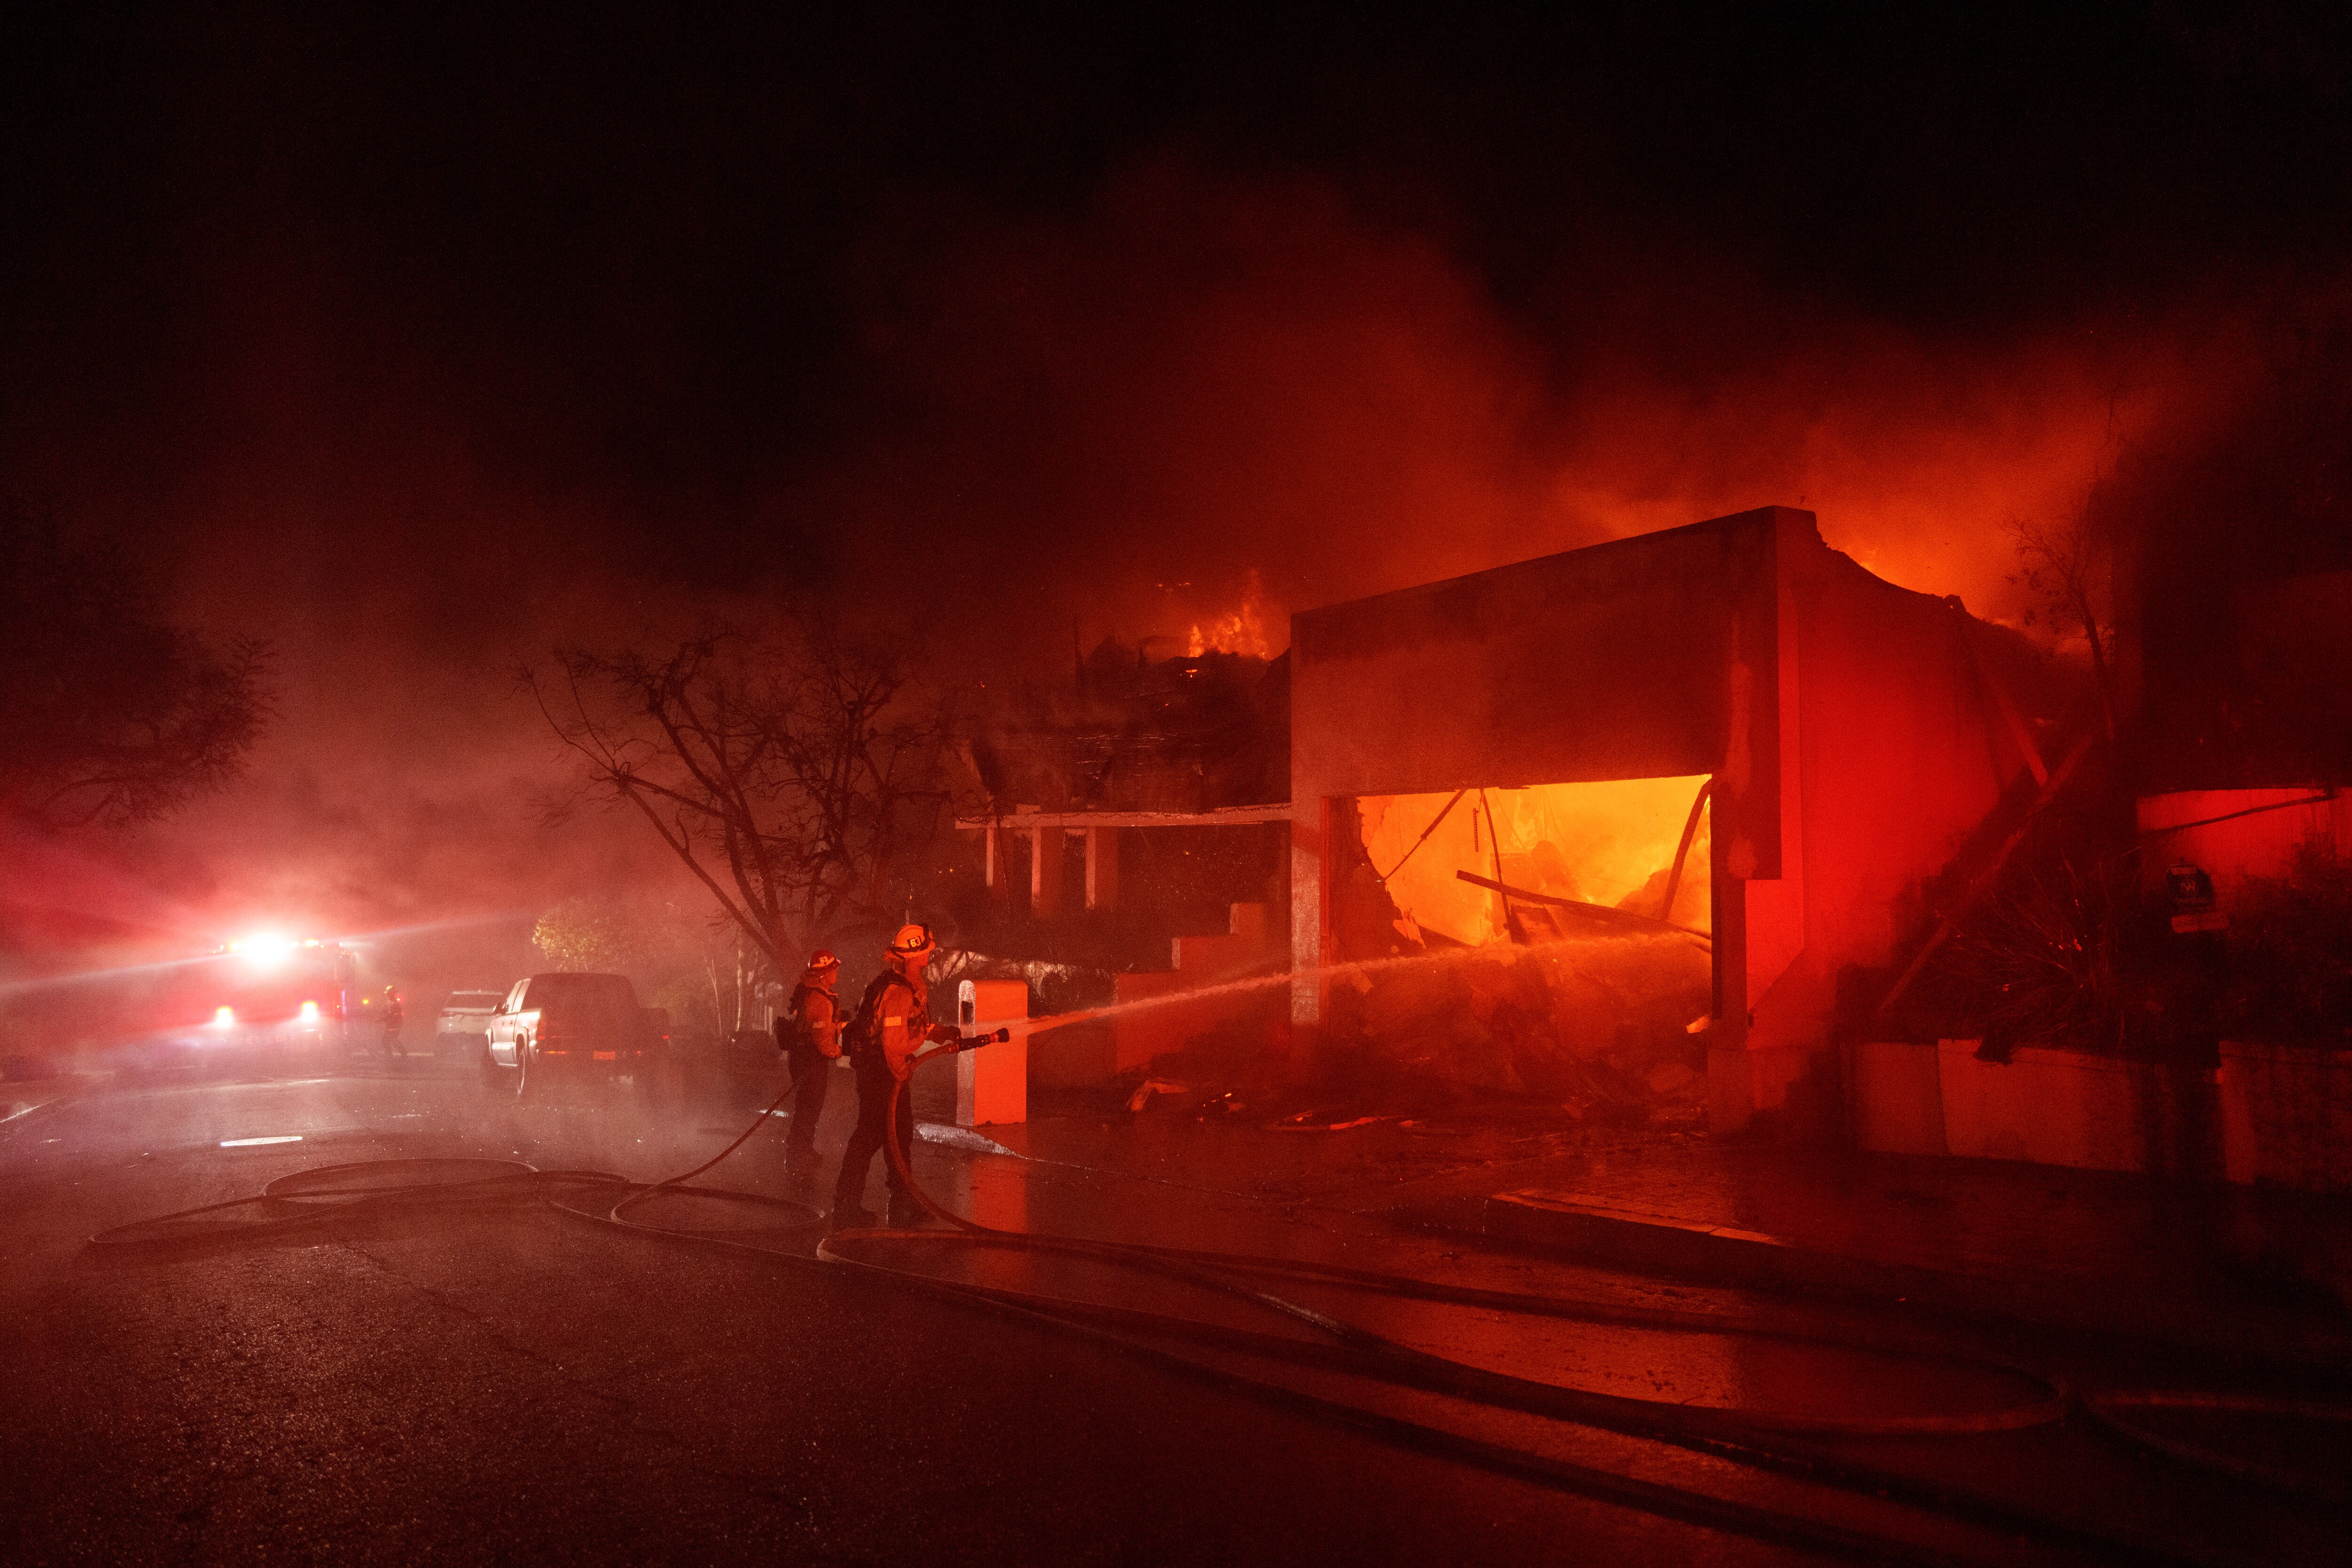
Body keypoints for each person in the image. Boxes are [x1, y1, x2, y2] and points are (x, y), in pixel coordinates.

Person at [831, 923, 961, 1227]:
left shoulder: (904, 984)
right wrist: (902, 1072)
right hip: (883, 1072)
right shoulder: (898, 991)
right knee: (871, 1136)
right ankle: (848, 1206)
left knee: (898, 1138)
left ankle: (901, 1203)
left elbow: (907, 1026)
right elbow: (892, 1041)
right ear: (913, 955)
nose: (930, 952)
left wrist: (937, 1031)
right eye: (926, 950)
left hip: (885, 1069)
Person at [773, 949, 842, 1177]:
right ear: (823, 974)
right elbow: (822, 1040)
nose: (836, 973)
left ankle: (803, 1151)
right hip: (812, 1061)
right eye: (833, 969)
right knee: (808, 1110)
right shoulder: (820, 1000)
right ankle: (796, 1156)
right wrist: (837, 1051)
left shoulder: (807, 994)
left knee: (806, 1108)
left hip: (801, 1058)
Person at [380, 987, 405, 1056]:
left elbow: (391, 1015)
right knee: (389, 1040)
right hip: (390, 1025)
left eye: (389, 993)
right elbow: (385, 1012)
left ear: (392, 994)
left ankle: (399, 1053)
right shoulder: (389, 1002)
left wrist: (381, 1019)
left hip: (395, 1025)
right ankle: (390, 1054)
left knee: (389, 1040)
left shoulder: (395, 1003)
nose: (388, 995)